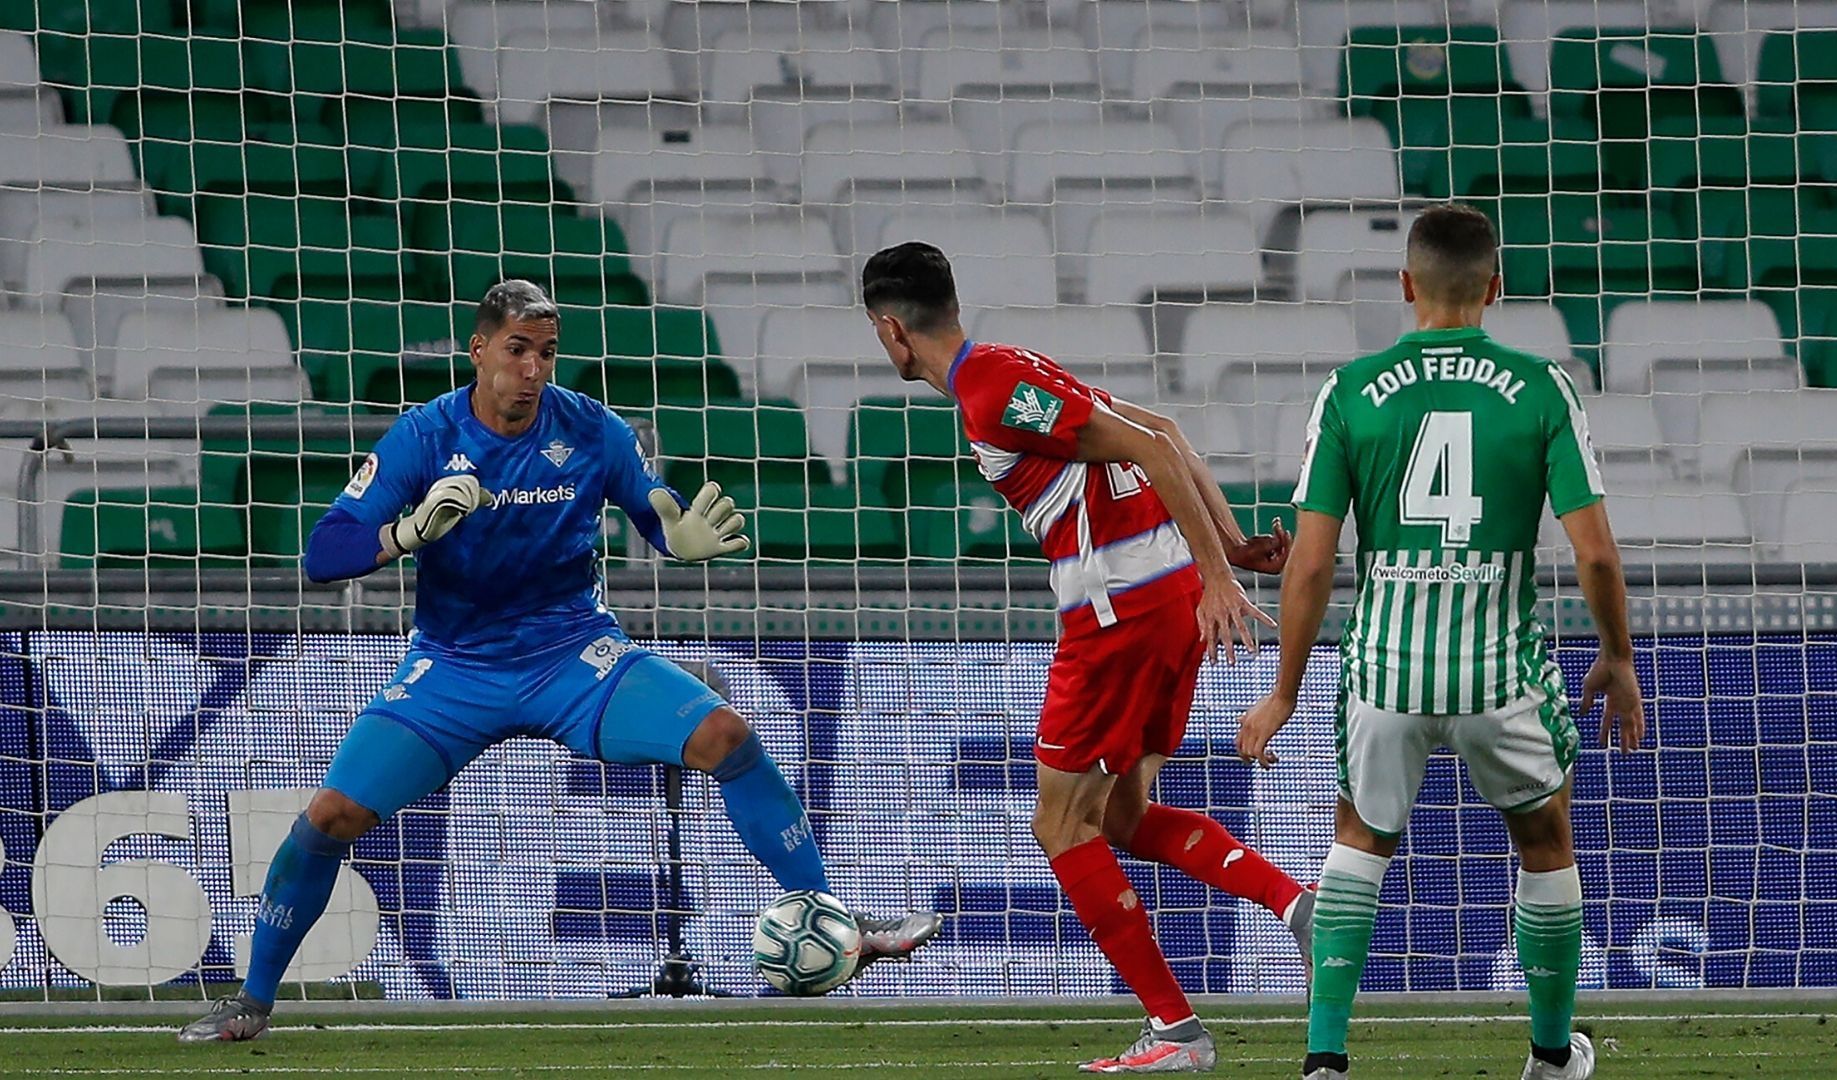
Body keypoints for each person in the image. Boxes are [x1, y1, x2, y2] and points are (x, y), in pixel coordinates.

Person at [180, 280, 941, 1042]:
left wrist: (677, 538)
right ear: (479, 351)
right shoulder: (422, 436)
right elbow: (322, 552)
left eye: (546, 352)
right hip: (455, 668)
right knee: (329, 817)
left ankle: (837, 920)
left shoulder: (593, 429)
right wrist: (404, 535)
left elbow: (655, 511)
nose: (534, 368)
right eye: (517, 349)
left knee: (727, 738)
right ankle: (252, 998)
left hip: (575, 653)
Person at [862, 242, 1314, 1074]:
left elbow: (1153, 451)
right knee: (1121, 818)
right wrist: (1230, 547)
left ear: (891, 329)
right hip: (1164, 601)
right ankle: (1294, 906)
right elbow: (1166, 430)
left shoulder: (988, 391)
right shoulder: (1009, 366)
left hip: (1120, 618)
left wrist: (1223, 573)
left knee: (1058, 822)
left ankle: (1175, 1031)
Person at [1235, 204, 1645, 1080]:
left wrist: (1283, 689)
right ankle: (1547, 1055)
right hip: (1501, 669)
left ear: (1405, 285)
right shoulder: (1542, 387)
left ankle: (1324, 1060)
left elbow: (1308, 566)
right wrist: (1618, 656)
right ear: (1495, 287)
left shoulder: (1349, 391)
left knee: (1357, 842)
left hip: (1386, 666)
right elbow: (1596, 552)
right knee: (1545, 840)